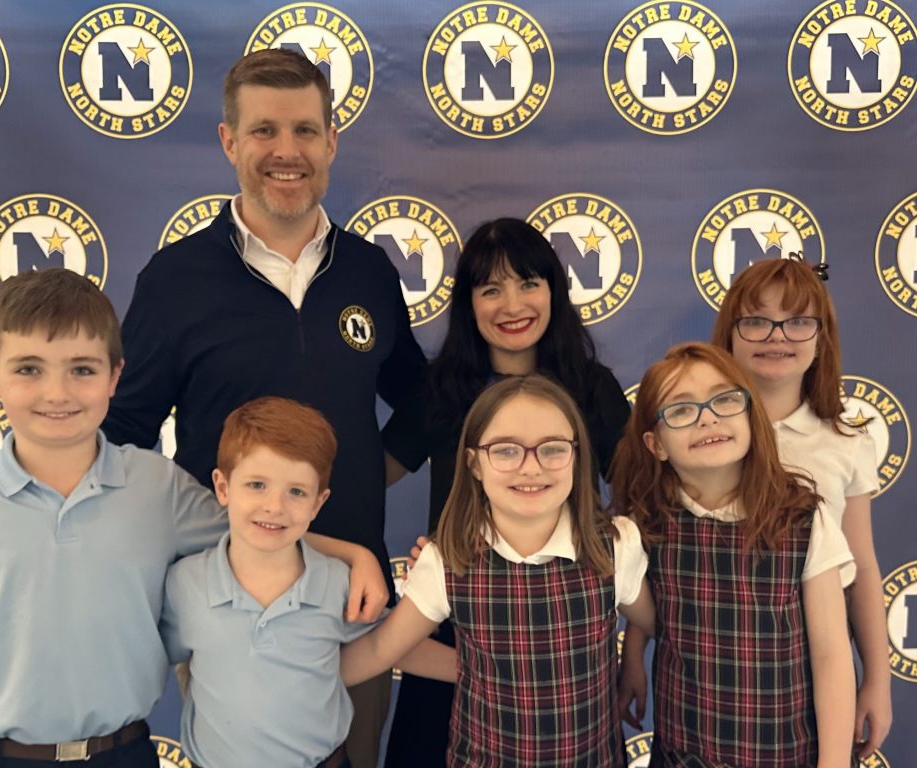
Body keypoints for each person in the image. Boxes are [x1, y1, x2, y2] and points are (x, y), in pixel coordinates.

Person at [0, 269, 382, 768]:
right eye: (29, 369)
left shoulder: (159, 486)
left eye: (83, 370)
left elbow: (260, 526)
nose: (57, 392)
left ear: (116, 375)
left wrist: (356, 555)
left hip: (123, 752)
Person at [99, 48, 426, 767]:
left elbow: (424, 403)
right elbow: (118, 434)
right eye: (264, 132)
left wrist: (368, 479)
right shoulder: (176, 278)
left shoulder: (369, 270)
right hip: (224, 604)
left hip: (352, 602)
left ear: (332, 141)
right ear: (229, 142)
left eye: (306, 131)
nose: (287, 151)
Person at [381, 218, 630, 765]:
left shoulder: (591, 388)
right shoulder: (441, 388)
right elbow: (369, 478)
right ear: (469, 303)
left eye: (527, 283)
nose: (511, 304)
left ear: (553, 291)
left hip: (563, 639)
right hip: (452, 625)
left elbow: (642, 493)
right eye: (490, 289)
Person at [341, 374, 655, 768]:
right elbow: (379, 649)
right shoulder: (448, 560)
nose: (530, 467)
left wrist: (636, 658)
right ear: (473, 463)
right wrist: (289, 676)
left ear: (577, 456)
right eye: (506, 451)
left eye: (553, 449)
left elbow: (667, 625)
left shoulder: (613, 547)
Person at [160, 397, 455, 768]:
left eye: (296, 491)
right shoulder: (185, 586)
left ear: (319, 503)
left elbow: (390, 646)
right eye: (256, 485)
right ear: (222, 487)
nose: (275, 506)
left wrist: (482, 669)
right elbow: (143, 658)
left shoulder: (337, 582)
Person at [609, 342, 855, 767]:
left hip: (786, 754)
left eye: (724, 399)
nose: (708, 417)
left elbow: (832, 654)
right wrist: (633, 655)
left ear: (749, 414)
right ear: (656, 444)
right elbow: (655, 613)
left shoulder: (801, 521)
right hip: (684, 753)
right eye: (682, 410)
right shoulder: (646, 526)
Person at [715, 257, 891, 756]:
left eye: (797, 321)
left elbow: (862, 565)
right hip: (718, 668)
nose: (777, 335)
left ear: (820, 338)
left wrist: (877, 679)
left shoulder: (844, 442)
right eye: (756, 320)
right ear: (730, 333)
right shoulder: (701, 435)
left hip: (816, 673)